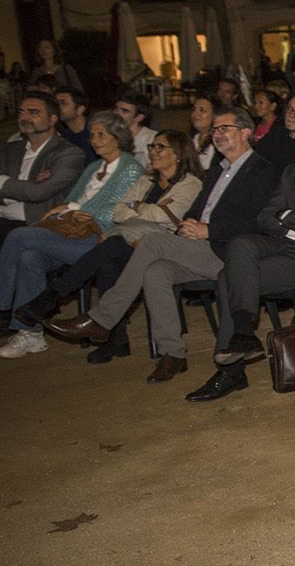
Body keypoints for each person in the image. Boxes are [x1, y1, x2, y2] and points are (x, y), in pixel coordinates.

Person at [44, 107, 277, 383]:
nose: (217, 135)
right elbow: (193, 212)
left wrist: (209, 230)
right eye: (214, 130)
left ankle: (103, 319)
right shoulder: (215, 173)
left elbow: (260, 222)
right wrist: (188, 227)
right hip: (200, 247)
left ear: (246, 133)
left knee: (152, 242)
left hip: (231, 253)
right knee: (156, 271)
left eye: (224, 128)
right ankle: (173, 354)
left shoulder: (262, 171)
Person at [184, 114, 295, 400]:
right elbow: (264, 217)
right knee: (241, 243)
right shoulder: (292, 172)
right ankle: (243, 331)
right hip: (284, 245)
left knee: (226, 276)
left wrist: (287, 215)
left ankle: (232, 369)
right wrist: (294, 223)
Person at [11, 130, 203, 360]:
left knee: (112, 246)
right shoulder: (146, 181)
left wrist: (138, 207)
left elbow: (161, 216)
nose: (153, 151)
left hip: (165, 246)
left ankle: (53, 297)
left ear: (179, 154)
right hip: (130, 240)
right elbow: (119, 212)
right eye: (152, 146)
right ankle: (116, 339)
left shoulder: (191, 184)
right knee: (108, 263)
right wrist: (142, 208)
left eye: (160, 147)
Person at [0, 113, 145, 358]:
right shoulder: (94, 167)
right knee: (29, 258)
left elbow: (116, 211)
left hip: (97, 239)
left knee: (18, 237)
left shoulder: (131, 169)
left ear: (117, 137)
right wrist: (69, 208)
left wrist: (76, 209)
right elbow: (70, 201)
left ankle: (3, 309)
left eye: (102, 135)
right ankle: (30, 333)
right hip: (71, 235)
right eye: (92, 135)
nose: (95, 140)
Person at [0, 91, 87, 249]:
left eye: (34, 113)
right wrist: (28, 185)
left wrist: (3, 182)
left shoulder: (68, 153)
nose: (24, 118)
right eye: (21, 112)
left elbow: (38, 193)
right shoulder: (10, 149)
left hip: (34, 223)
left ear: (53, 119)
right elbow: (33, 189)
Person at [114, 92, 158, 169]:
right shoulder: (109, 135)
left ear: (139, 117)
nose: (116, 114)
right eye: (116, 109)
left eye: (124, 111)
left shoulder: (152, 139)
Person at [53, 89, 92, 159]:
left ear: (80, 109)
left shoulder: (94, 133)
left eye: (63, 103)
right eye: (55, 104)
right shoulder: (65, 136)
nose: (57, 107)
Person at [189, 95, 218, 170]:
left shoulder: (218, 144)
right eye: (193, 109)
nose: (195, 114)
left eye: (202, 110)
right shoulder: (191, 140)